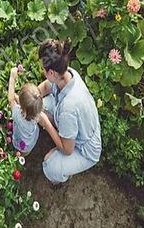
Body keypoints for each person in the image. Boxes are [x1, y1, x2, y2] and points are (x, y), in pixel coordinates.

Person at [37, 39, 102, 184]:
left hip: (85, 150)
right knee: (40, 105)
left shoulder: (69, 108)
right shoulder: (68, 74)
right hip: (77, 123)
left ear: (52, 73)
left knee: (49, 165)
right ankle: (61, 135)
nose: (42, 71)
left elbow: (68, 150)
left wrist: (46, 123)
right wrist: (33, 97)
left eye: (44, 69)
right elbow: (47, 87)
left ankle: (60, 177)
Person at [8, 67, 61, 156]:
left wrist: (12, 78)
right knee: (26, 149)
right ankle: (25, 153)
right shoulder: (38, 115)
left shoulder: (17, 115)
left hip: (20, 140)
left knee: (20, 149)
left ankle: (20, 154)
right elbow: (24, 105)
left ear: (23, 110)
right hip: (31, 141)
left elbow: (10, 99)